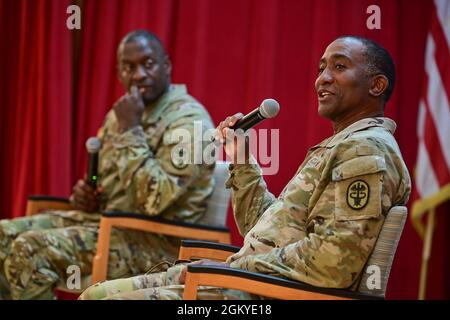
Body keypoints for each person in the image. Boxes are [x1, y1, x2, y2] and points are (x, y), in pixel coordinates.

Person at [79, 35, 411, 300]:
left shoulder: (365, 151)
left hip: (264, 293)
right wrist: (241, 158)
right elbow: (261, 230)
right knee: (94, 293)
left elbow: (332, 266)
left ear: (376, 85)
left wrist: (237, 266)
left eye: (340, 67)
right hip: (244, 281)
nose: (322, 78)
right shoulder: (341, 146)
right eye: (321, 67)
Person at [0, 30, 215, 300]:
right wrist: (86, 194)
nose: (138, 75)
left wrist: (130, 131)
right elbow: (104, 182)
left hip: (158, 242)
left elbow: (154, 201)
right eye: (129, 67)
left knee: (29, 249)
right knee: (2, 236)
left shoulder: (190, 121)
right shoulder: (123, 114)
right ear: (119, 73)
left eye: (148, 64)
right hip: (109, 225)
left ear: (166, 65)